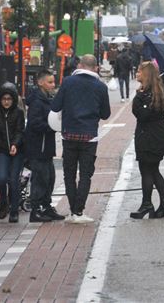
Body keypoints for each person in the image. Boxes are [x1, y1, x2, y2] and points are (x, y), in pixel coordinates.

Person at [51, 54, 111, 223]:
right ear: (95, 67)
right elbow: (106, 114)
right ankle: (79, 210)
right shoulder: (100, 87)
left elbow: (55, 106)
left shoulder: (68, 82)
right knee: (85, 174)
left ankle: (72, 210)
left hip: (68, 134)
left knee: (68, 174)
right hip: (89, 136)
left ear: (80, 64)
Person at [130, 62, 164, 219]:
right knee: (154, 170)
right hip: (158, 135)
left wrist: (138, 97)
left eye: (139, 71)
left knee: (146, 171)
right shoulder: (159, 91)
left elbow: (141, 114)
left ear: (146, 74)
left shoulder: (146, 94)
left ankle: (146, 204)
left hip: (148, 136)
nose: (137, 74)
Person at [24, 70, 64, 222]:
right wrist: (51, 126)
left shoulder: (48, 98)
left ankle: (46, 206)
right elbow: (34, 123)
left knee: (50, 177)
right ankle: (35, 210)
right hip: (37, 146)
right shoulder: (36, 100)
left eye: (53, 82)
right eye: (50, 82)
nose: (53, 85)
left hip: (46, 146)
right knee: (40, 178)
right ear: (40, 83)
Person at [0, 84, 25, 223]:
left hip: (17, 152)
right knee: (2, 178)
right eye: (4, 99)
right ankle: (3, 201)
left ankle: (14, 211)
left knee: (13, 180)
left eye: (9, 99)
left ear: (13, 99)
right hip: (2, 151)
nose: (6, 101)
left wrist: (15, 144)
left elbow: (20, 131)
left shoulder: (19, 113)